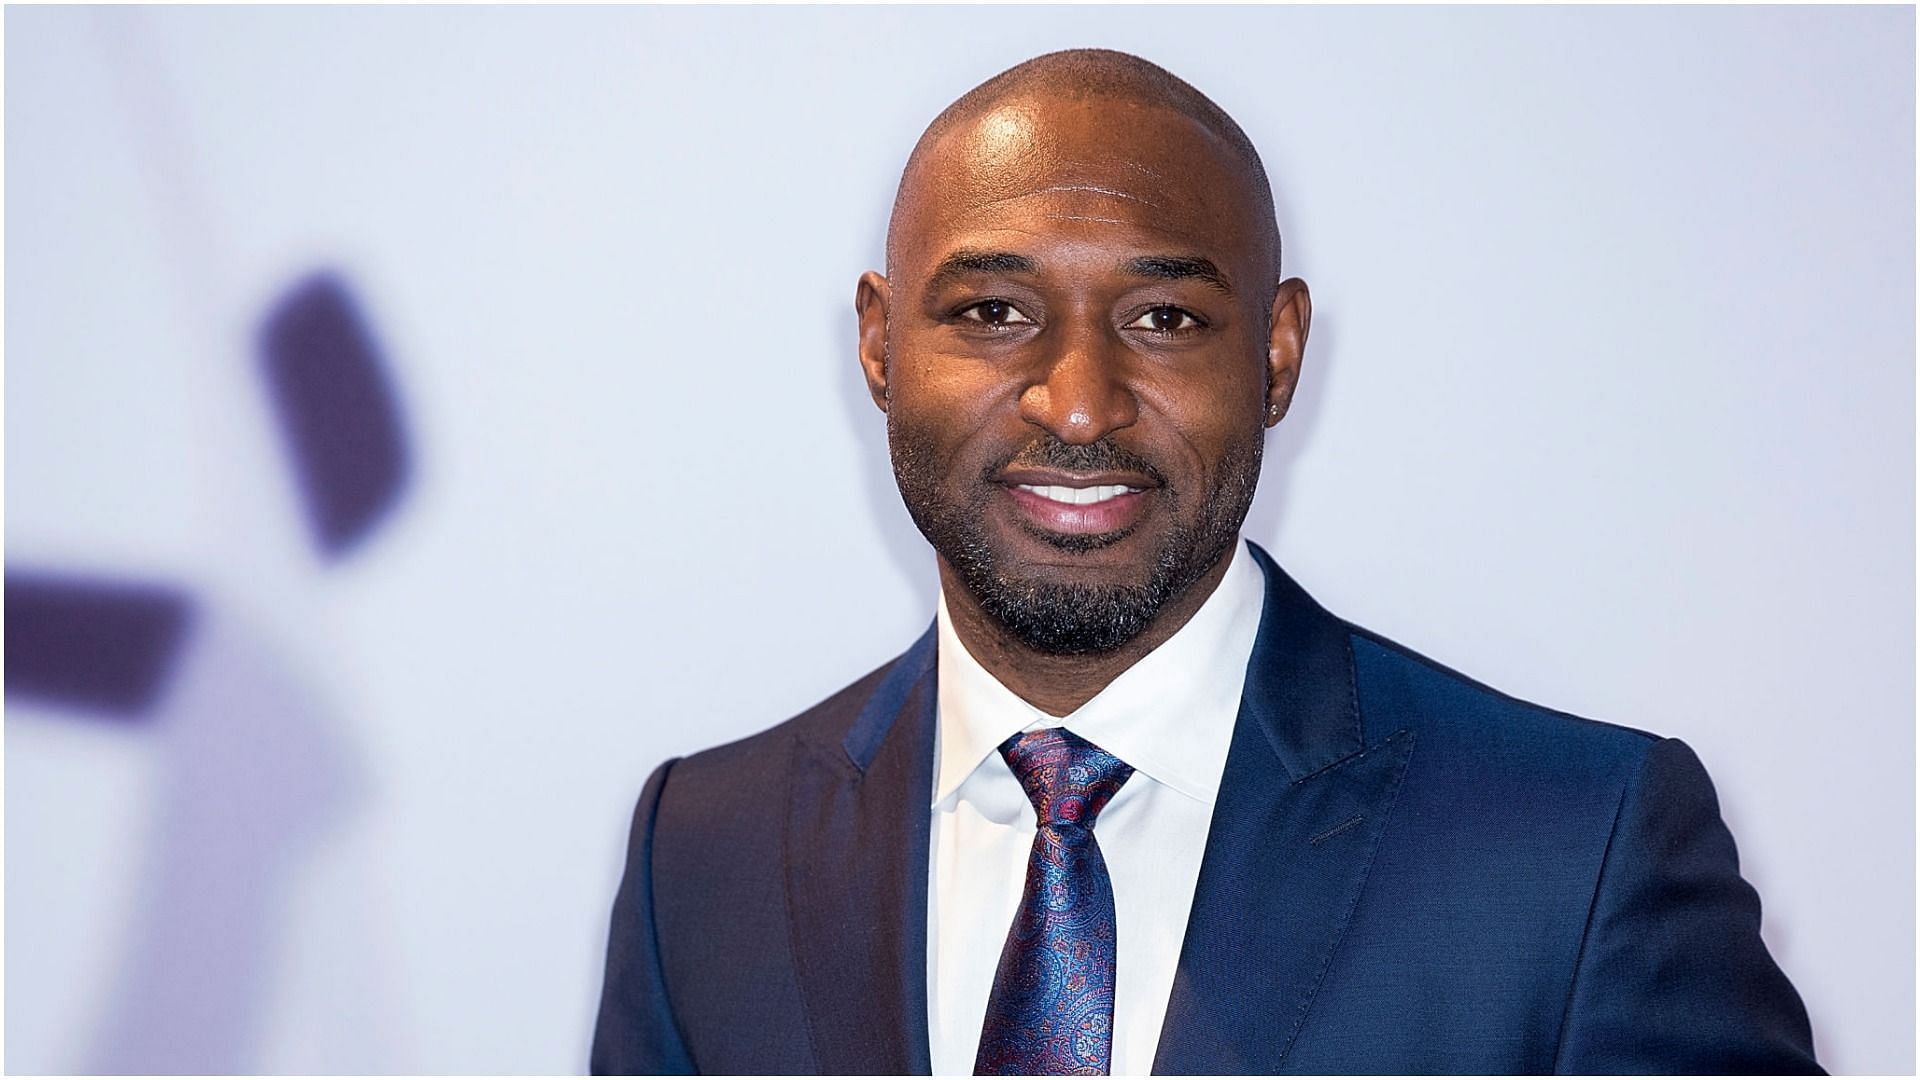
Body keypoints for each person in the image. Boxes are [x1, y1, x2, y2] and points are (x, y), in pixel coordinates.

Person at [590, 48, 1819, 1075]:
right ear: (879, 341)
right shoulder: (702, 852)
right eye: (992, 314)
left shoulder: (1578, 851)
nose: (1077, 406)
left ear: (1277, 356)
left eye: (1164, 319)